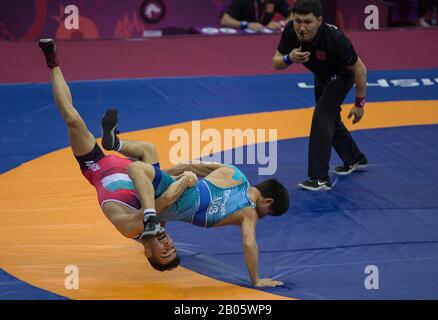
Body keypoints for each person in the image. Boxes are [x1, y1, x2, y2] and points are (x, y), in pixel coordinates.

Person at [37, 38, 198, 272]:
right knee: (149, 151)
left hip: (97, 166)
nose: (168, 244)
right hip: (134, 171)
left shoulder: (129, 229)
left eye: (164, 251)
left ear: (147, 251)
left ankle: (53, 63)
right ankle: (116, 143)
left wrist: (184, 181)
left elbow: (158, 203)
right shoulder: (162, 219)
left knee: (73, 120)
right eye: (172, 247)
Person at [103, 110, 290, 287]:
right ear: (268, 201)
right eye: (268, 213)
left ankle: (116, 145)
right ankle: (126, 159)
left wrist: (160, 176)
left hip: (173, 190)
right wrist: (256, 280)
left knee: (149, 152)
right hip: (171, 198)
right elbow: (249, 242)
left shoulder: (234, 173)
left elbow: (189, 165)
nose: (263, 216)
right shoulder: (249, 212)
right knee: (143, 171)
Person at [272, 0, 368, 191]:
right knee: (330, 119)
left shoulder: (335, 38)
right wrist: (289, 58)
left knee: (322, 117)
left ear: (319, 21)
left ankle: (319, 178)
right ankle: (355, 158)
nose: (301, 27)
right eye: (298, 20)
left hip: (342, 76)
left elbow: (360, 70)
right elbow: (276, 62)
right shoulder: (291, 31)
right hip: (322, 76)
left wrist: (359, 104)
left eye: (307, 22)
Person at [220, 0, 292, 31]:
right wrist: (246, 25)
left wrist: (281, 23)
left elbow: (294, 15)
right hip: (240, 35)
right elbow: (225, 20)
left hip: (263, 36)